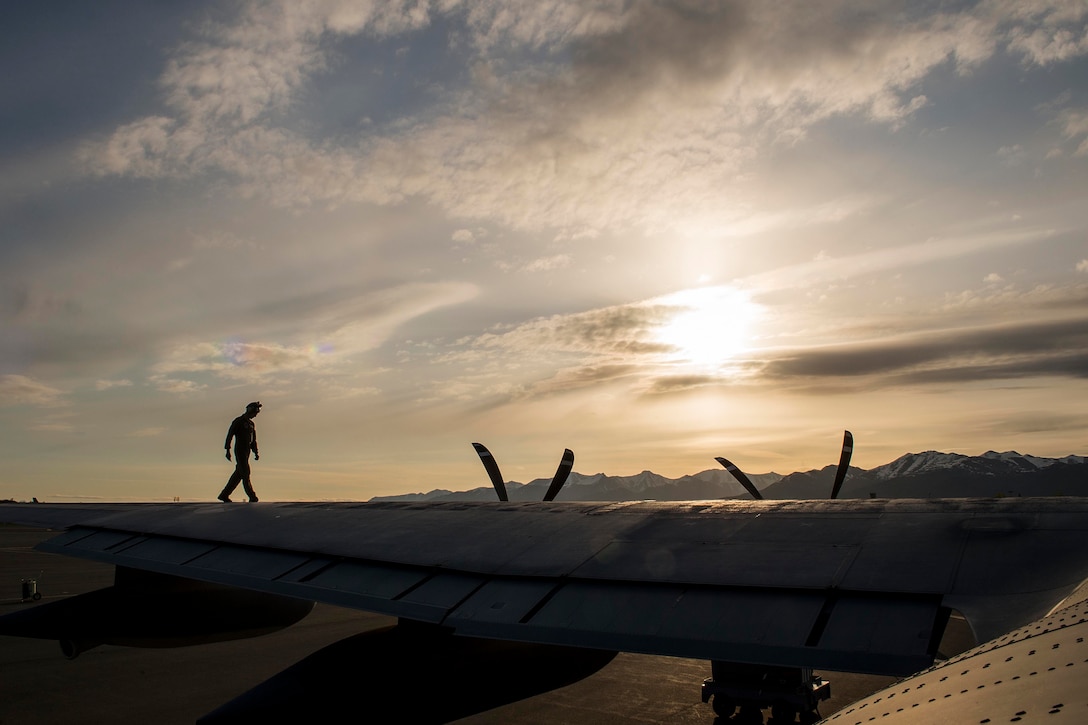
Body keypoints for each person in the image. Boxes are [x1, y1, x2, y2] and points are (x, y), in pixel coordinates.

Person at [219, 402, 261, 502]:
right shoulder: (238, 421)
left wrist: (255, 451)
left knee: (238, 474)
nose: (255, 415)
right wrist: (227, 449)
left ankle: (224, 494)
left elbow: (253, 439)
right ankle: (252, 496)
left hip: (247, 451)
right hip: (240, 450)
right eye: (255, 412)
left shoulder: (251, 424)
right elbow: (230, 435)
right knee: (246, 472)